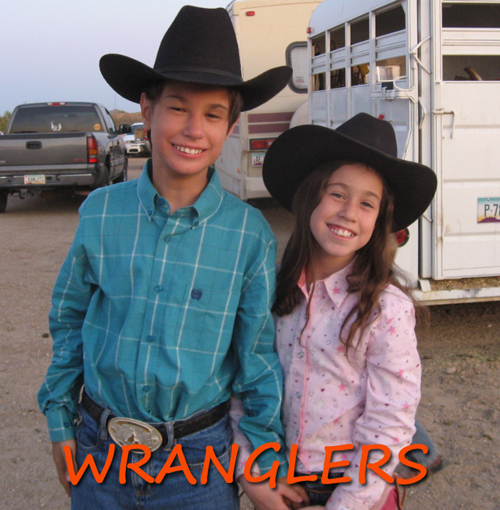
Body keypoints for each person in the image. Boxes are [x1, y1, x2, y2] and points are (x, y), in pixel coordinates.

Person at [38, 6, 307, 510]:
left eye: (213, 114)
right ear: (147, 109)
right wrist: (59, 420)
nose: (194, 129)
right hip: (99, 451)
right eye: (178, 108)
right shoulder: (100, 213)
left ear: (231, 126)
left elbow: (257, 360)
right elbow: (69, 319)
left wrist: (261, 454)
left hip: (199, 466)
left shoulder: (249, 236)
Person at [234, 113, 437, 509]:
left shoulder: (386, 309)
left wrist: (346, 503)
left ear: (380, 219)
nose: (349, 213)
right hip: (279, 484)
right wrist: (252, 474)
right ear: (310, 195)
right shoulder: (268, 286)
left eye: (367, 203)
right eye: (338, 194)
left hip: (354, 492)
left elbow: (390, 423)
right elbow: (242, 384)